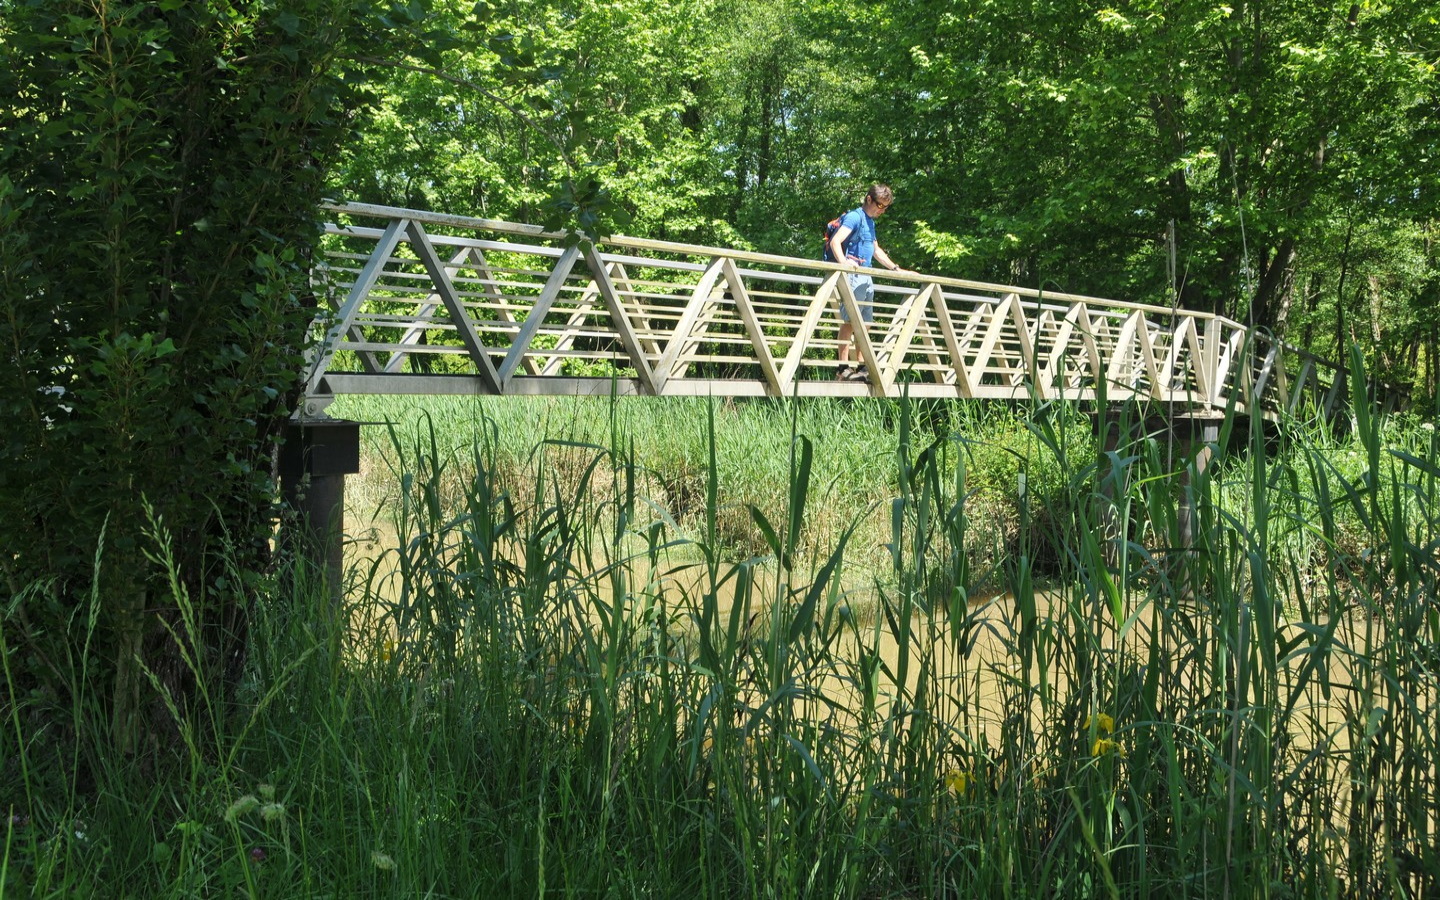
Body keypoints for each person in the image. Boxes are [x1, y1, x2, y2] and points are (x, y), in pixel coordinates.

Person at [828, 183, 909, 381]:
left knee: (865, 324)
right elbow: (835, 241)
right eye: (879, 205)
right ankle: (843, 367)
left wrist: (895, 268)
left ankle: (862, 367)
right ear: (869, 199)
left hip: (867, 276)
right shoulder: (855, 217)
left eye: (885, 207)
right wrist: (844, 263)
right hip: (853, 276)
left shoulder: (870, 221)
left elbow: (875, 250)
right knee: (849, 322)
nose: (881, 210)